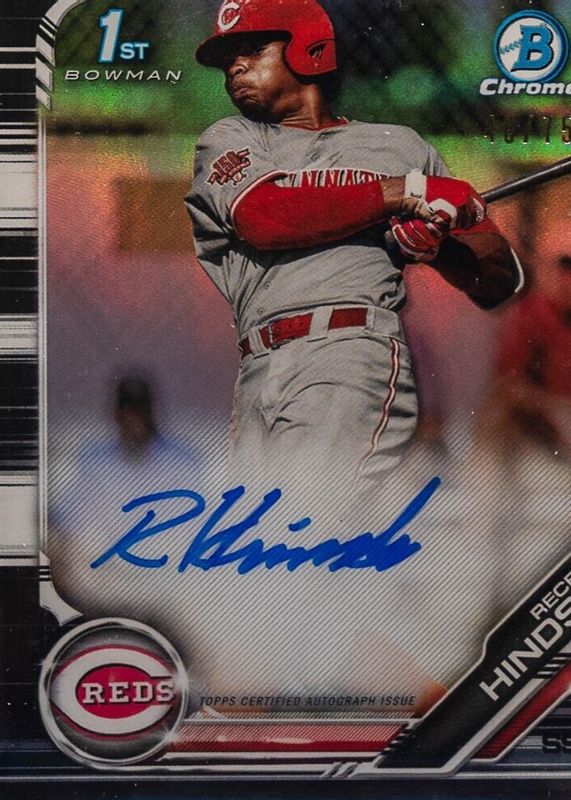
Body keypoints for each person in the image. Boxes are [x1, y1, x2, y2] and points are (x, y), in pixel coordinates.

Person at [185, 0, 523, 484]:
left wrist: (437, 248)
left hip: (346, 352)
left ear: (309, 49)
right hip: (259, 369)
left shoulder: (399, 146)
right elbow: (266, 217)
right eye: (227, 60)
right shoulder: (229, 139)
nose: (235, 67)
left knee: (304, 513)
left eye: (253, 49)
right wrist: (406, 193)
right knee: (262, 528)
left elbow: (501, 277)